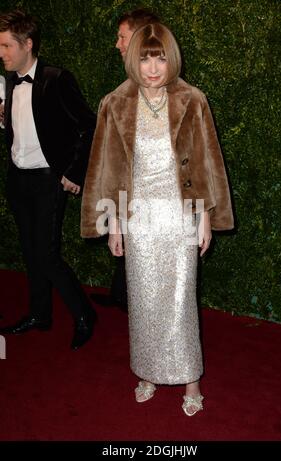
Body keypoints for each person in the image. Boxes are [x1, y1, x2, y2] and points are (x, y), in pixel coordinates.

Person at [81, 23, 234, 415]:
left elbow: (205, 164)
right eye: (146, 57)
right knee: (144, 301)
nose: (152, 67)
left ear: (171, 59)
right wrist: (114, 223)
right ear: (135, 58)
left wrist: (204, 218)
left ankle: (190, 380)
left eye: (160, 57)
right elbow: (107, 170)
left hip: (179, 217)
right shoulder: (114, 104)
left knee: (181, 302)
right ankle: (147, 373)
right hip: (140, 220)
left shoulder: (192, 100)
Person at [0, 10, 97, 350]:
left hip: (47, 180)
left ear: (28, 44)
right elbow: (23, 127)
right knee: (30, 251)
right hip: (18, 179)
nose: (2, 53)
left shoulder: (56, 78)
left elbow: (89, 125)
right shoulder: (10, 80)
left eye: (7, 46)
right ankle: (40, 314)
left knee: (46, 255)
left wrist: (74, 171)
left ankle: (85, 315)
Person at [89, 9, 160, 311]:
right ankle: (124, 295)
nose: (117, 44)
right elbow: (115, 167)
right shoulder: (116, 100)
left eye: (122, 37)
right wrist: (116, 224)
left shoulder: (182, 97)